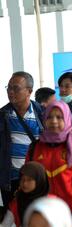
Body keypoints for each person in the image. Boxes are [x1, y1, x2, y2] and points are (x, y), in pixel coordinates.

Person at [26, 101, 72, 227]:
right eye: (50, 117)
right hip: (45, 213)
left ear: (67, 119)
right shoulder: (35, 148)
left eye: (59, 117)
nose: (54, 121)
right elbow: (28, 181)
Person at [1, 72, 44, 216]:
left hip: (37, 179)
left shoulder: (42, 113)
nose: (11, 92)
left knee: (35, 218)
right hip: (11, 179)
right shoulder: (2, 116)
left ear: (29, 91)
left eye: (16, 88)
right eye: (9, 88)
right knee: (13, 220)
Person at [0, 162, 49, 227]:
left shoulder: (51, 204)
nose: (24, 184)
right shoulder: (17, 202)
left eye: (29, 180)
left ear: (39, 180)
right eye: (22, 180)